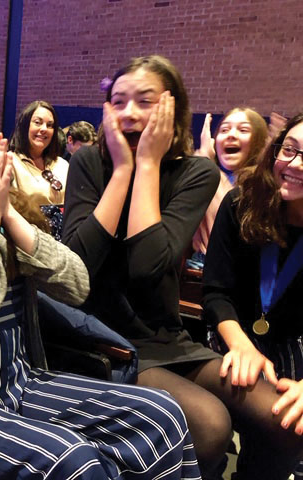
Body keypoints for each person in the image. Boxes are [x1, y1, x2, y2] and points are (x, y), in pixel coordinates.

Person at [0, 89, 202, 479]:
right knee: (72, 461)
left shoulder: (6, 209)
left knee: (161, 414)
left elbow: (77, 283)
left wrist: (8, 212)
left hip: (20, 381)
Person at [63, 54, 303, 478]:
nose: (130, 113)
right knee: (211, 426)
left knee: (284, 422)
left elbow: (147, 265)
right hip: (98, 336)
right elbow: (77, 267)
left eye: (145, 101)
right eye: (118, 101)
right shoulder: (88, 163)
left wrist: (150, 165)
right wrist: (125, 171)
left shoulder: (196, 172)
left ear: (173, 111)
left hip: (164, 337)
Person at [203, 113, 303, 479]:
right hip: (231, 336)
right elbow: (215, 292)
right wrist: (241, 345)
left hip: (291, 345)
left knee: (291, 424)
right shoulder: (239, 204)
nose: (294, 165)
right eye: (288, 150)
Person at [190, 108, 268, 263]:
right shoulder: (214, 175)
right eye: (224, 129)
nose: (231, 135)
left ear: (258, 141)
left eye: (243, 129)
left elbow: (223, 234)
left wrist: (205, 162)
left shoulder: (261, 185)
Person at [9, 100, 68, 205]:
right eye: (37, 122)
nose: (44, 129)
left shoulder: (62, 165)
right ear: (25, 126)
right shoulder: (11, 163)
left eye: (50, 125)